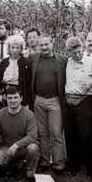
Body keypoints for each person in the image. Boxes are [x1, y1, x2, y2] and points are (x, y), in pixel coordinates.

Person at [64, 37, 92, 176]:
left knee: (86, 135)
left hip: (86, 101)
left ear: (82, 48)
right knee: (70, 135)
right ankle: (74, 164)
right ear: (69, 52)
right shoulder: (67, 63)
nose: (77, 55)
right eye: (73, 52)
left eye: (79, 51)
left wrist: (91, 84)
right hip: (69, 102)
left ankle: (90, 167)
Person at [30, 35, 67, 173]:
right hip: (38, 100)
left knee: (56, 132)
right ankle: (45, 161)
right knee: (42, 132)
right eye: (41, 45)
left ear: (52, 44)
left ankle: (58, 162)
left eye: (46, 44)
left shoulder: (62, 60)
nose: (44, 47)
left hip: (55, 100)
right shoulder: (33, 59)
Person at [0, 87, 40, 182]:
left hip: (24, 148)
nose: (13, 100)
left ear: (21, 98)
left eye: (16, 97)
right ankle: (16, 165)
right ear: (6, 99)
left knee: (33, 148)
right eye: (10, 98)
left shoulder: (29, 114)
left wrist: (17, 145)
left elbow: (32, 136)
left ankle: (29, 174)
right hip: (7, 148)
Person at [0, 34, 31, 110]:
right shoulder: (4, 62)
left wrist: (27, 101)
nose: (15, 50)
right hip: (5, 93)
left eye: (17, 48)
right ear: (9, 48)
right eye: (12, 47)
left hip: (19, 94)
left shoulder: (26, 63)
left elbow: (28, 83)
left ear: (21, 49)